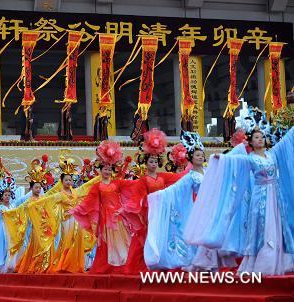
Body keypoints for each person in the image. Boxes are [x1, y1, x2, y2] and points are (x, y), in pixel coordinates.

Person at [185, 107, 294, 275]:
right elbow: (233, 161)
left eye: (262, 137)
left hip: (275, 196)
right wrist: (220, 159)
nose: (260, 140)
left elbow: (286, 141)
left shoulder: (273, 154)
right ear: (250, 141)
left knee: (277, 226)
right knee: (262, 228)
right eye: (256, 137)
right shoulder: (249, 159)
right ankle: (261, 262)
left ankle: (279, 260)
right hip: (260, 197)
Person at [144, 132, 237, 271]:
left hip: (213, 208)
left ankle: (210, 263)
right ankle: (201, 263)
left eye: (202, 155)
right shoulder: (191, 176)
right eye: (197, 155)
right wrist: (158, 197)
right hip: (201, 208)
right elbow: (176, 189)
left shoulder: (208, 171)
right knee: (203, 236)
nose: (200, 157)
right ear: (191, 158)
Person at [70, 141, 144, 274]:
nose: (108, 171)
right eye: (105, 169)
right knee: (108, 242)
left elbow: (132, 185)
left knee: (124, 240)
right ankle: (109, 266)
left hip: (119, 217)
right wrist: (77, 210)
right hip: (105, 219)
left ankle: (127, 265)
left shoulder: (117, 183)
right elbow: (88, 202)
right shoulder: (97, 186)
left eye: (110, 169)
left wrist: (143, 182)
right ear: (100, 170)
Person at [126, 128, 188, 273]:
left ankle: (163, 262)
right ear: (145, 163)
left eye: (155, 161)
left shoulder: (163, 177)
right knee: (147, 237)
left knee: (162, 236)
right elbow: (137, 197)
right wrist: (130, 208)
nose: (153, 164)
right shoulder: (143, 180)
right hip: (149, 213)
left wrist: (191, 170)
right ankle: (141, 265)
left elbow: (178, 179)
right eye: (151, 161)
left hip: (162, 212)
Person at [27, 154, 99, 273]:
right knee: (66, 241)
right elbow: (46, 200)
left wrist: (99, 178)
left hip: (77, 221)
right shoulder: (59, 195)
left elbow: (87, 186)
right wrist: (33, 205)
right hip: (66, 221)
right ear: (62, 181)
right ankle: (63, 264)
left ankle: (74, 264)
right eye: (66, 180)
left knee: (77, 242)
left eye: (70, 179)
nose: (68, 182)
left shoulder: (76, 192)